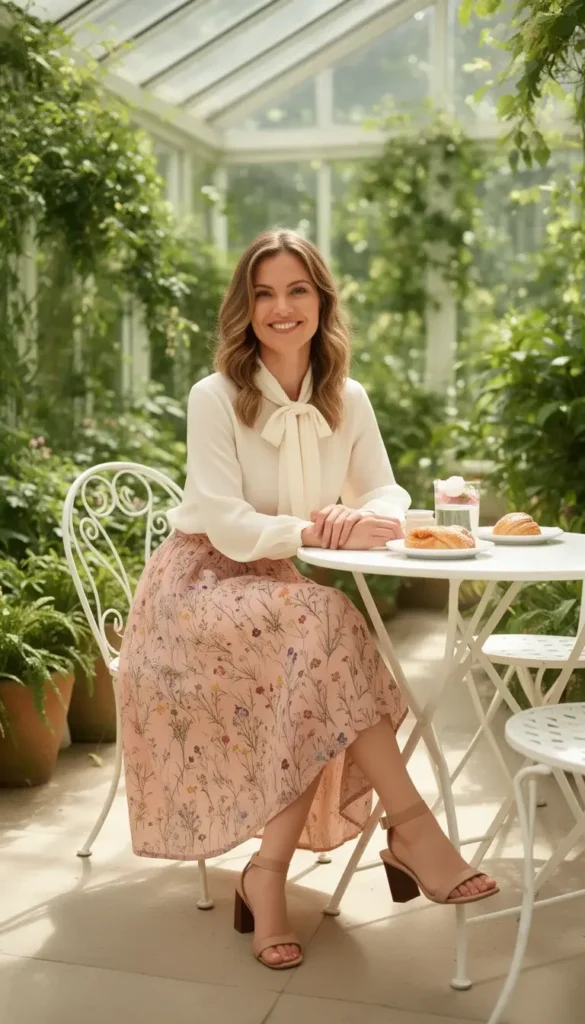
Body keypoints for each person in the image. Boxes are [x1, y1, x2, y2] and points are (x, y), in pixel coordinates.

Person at [118, 229, 497, 972]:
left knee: (314, 653)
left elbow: (385, 488)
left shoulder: (345, 397)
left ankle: (267, 873)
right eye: (263, 293)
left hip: (277, 597)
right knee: (325, 622)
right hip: (196, 590)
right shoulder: (214, 396)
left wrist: (367, 517)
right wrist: (312, 529)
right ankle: (412, 828)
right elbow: (222, 518)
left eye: (297, 290)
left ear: (321, 302)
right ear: (245, 307)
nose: (280, 307)